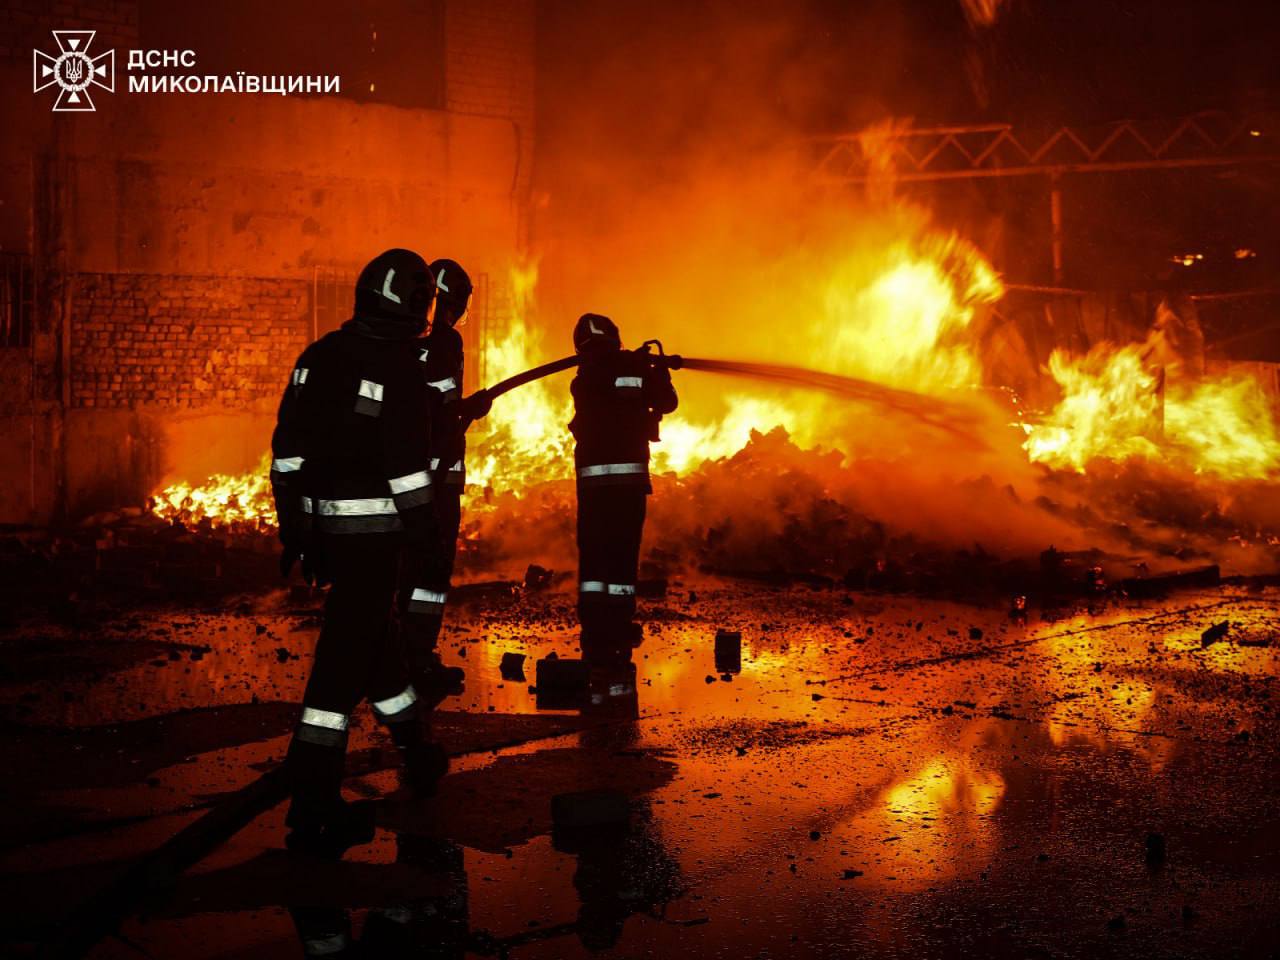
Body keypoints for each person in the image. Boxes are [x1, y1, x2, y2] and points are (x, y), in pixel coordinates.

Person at [270, 247, 446, 854]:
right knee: (341, 669)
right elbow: (407, 471)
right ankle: (313, 801)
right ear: (415, 306)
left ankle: (417, 751)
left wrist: (296, 529)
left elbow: (286, 453)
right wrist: (426, 536)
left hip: (325, 538)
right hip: (373, 542)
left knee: (377, 649)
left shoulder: (318, 358)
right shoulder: (398, 369)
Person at [397, 258, 490, 714]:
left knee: (407, 568)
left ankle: (401, 654)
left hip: (406, 478)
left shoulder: (402, 339)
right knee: (431, 574)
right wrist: (471, 409)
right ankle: (418, 659)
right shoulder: (445, 341)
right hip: (437, 481)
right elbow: (443, 411)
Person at [568, 314, 678, 699]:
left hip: (594, 487)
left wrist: (649, 369)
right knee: (622, 557)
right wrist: (658, 373)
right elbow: (668, 403)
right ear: (615, 339)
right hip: (628, 484)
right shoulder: (632, 369)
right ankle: (617, 626)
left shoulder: (583, 379)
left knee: (594, 558)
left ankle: (595, 630)